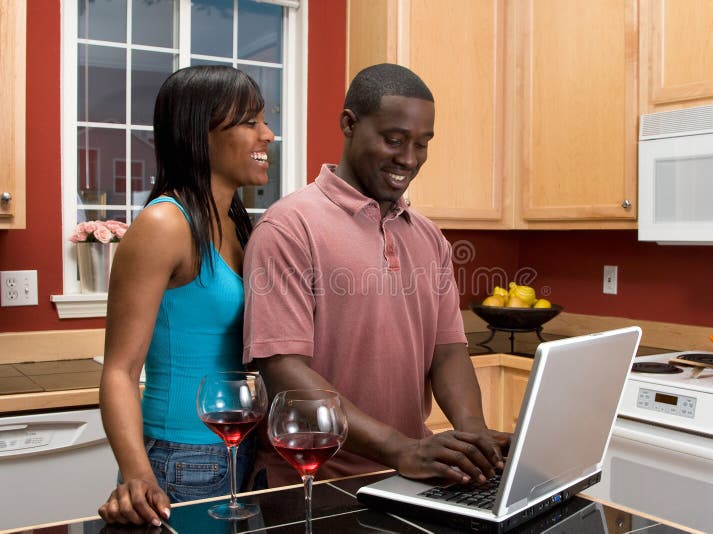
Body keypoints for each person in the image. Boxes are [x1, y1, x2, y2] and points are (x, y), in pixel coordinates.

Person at [243, 63, 510, 488]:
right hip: (311, 483)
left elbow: (448, 352)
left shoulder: (429, 237)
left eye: (422, 144)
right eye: (394, 140)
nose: (409, 159)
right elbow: (284, 371)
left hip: (407, 477)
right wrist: (398, 447)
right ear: (349, 124)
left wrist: (473, 432)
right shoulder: (289, 227)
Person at [98, 65, 275, 526]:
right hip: (181, 458)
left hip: (240, 447)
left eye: (265, 119)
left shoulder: (238, 225)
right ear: (200, 133)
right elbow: (119, 370)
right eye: (250, 121)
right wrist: (137, 475)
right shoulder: (165, 225)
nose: (268, 134)